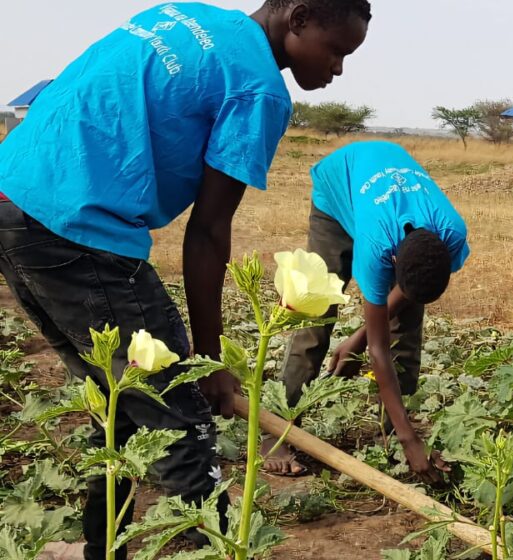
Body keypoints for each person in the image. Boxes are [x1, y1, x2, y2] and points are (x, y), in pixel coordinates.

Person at [0, 1, 370, 558]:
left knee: (121, 400)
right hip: (79, 230)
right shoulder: (260, 88)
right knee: (180, 414)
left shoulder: (178, 14)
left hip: (13, 197)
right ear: (296, 18)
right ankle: (219, 549)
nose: (338, 68)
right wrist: (210, 364)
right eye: (336, 49)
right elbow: (208, 232)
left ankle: (104, 551)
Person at [262, 140, 469, 483]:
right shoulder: (376, 247)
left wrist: (358, 337)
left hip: (381, 193)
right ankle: (278, 430)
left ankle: (389, 433)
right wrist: (365, 340)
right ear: (392, 262)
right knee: (317, 309)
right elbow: (378, 350)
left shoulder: (451, 234)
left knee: (407, 325)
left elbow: (406, 294)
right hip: (337, 190)